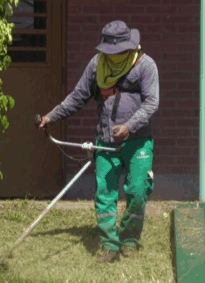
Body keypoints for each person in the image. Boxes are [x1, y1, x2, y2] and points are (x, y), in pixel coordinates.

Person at [38, 20, 159, 263]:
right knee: (105, 192)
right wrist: (52, 116)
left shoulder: (145, 66)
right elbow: (77, 97)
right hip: (105, 142)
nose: (112, 56)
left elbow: (152, 102)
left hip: (138, 142)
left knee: (136, 190)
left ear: (129, 48)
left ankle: (130, 238)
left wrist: (128, 127)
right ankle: (110, 245)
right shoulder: (97, 66)